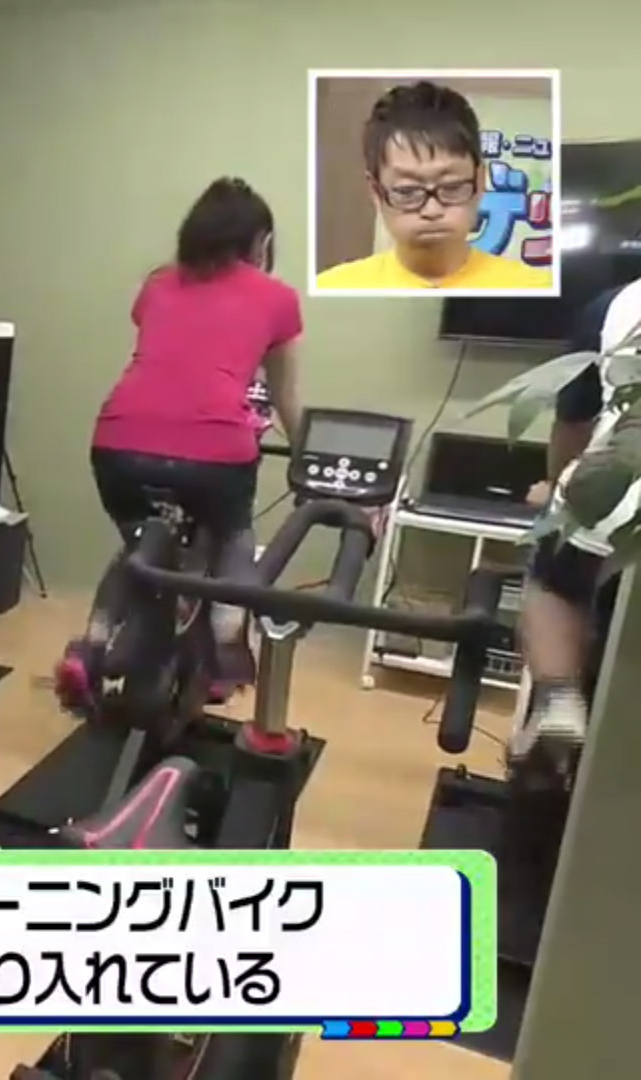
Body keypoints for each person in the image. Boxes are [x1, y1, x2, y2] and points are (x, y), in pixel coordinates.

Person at [55, 178, 304, 713]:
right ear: (261, 240)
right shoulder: (277, 297)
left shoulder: (158, 284)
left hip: (118, 442)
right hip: (215, 454)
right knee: (235, 537)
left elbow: (168, 360)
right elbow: (285, 398)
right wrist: (307, 455)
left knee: (139, 545)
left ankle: (91, 646)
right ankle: (227, 647)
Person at [512, 273, 641, 762]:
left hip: (616, 502)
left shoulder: (619, 304)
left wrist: (555, 487)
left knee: (553, 580)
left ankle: (558, 697)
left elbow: (574, 424)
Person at [315, 81, 553, 292]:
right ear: (376, 192)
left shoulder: (536, 287)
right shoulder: (334, 286)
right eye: (407, 191)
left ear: (480, 181)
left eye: (452, 187)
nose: (432, 210)